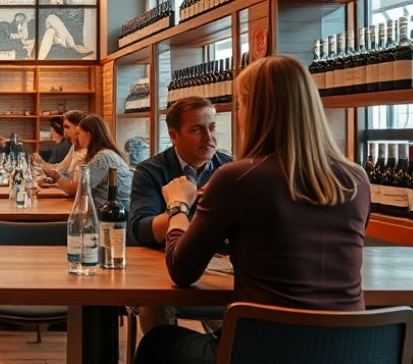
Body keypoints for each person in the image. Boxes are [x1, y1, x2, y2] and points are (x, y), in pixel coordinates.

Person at [134, 56, 371, 364]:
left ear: (257, 110)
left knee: (159, 341)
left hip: (266, 349)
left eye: (241, 105)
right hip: (350, 351)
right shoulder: (357, 178)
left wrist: (179, 203)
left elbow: (181, 270)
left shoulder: (236, 177)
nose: (240, 114)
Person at [128, 96, 233, 331]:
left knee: (236, 307)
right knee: (154, 301)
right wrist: (184, 206)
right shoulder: (151, 171)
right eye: (197, 130)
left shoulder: (229, 169)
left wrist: (183, 213)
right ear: (174, 135)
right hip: (162, 271)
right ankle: (162, 350)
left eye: (212, 127)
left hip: (218, 268)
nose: (209, 137)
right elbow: (142, 230)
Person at [45, 114, 132, 208]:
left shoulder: (103, 158)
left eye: (78, 133)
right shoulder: (106, 154)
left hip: (111, 217)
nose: (76, 137)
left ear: (89, 134)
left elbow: (75, 190)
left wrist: (54, 175)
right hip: (112, 212)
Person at [33, 110, 86, 186]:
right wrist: (41, 164)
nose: (64, 131)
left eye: (67, 127)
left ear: (78, 128)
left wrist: (41, 165)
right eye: (64, 127)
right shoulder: (74, 147)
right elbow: (61, 169)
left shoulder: (85, 151)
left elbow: (72, 185)